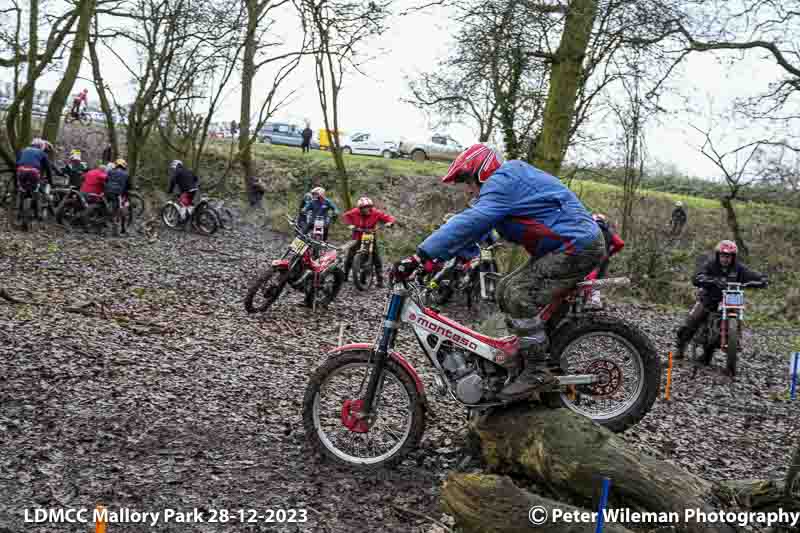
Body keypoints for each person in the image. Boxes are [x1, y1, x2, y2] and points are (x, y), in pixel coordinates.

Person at [391, 143, 605, 400]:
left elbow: (470, 221)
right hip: (564, 246)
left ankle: (537, 370)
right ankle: (528, 355)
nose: (468, 188)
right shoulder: (505, 185)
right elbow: (475, 232)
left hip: (577, 245)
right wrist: (431, 262)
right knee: (504, 288)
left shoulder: (503, 182)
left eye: (467, 180)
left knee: (518, 293)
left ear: (483, 170)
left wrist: (419, 255)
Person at [675, 240, 767, 364]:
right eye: (723, 256)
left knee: (732, 320)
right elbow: (697, 277)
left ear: (733, 257)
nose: (725, 259)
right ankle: (680, 348)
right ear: (718, 255)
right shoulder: (710, 265)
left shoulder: (738, 268)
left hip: (731, 300)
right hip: (709, 299)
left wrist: (762, 279)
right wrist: (711, 280)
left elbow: (752, 275)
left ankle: (716, 351)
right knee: (693, 319)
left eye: (728, 256)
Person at [342, 196, 395, 286]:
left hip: (370, 234)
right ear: (360, 208)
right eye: (363, 208)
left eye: (368, 207)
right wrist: (350, 225)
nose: (366, 209)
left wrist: (390, 222)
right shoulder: (355, 212)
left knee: (376, 256)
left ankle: (380, 280)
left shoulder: (376, 212)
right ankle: (345, 275)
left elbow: (388, 218)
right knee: (350, 255)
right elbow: (345, 216)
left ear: (371, 207)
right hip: (357, 235)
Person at [583, 213, 625, 309]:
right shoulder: (609, 231)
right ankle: (595, 301)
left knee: (582, 277)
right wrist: (610, 252)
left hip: (585, 255)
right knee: (597, 279)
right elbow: (620, 243)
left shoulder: (587, 227)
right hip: (603, 258)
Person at [14, 138, 53, 222]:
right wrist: (50, 181)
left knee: (21, 190)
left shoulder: (23, 150)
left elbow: (17, 163)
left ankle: (17, 213)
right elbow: (48, 169)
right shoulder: (42, 153)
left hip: (21, 171)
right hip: (33, 173)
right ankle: (38, 214)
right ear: (41, 146)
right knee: (36, 190)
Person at [104, 159, 130, 234]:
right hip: (117, 193)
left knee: (105, 205)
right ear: (124, 166)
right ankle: (118, 229)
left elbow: (106, 180)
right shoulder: (126, 174)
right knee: (120, 209)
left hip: (107, 191)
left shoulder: (110, 171)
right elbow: (129, 186)